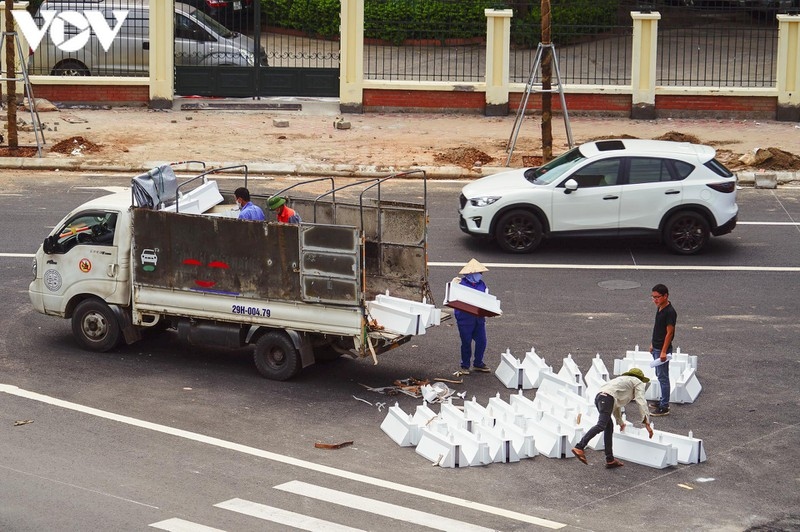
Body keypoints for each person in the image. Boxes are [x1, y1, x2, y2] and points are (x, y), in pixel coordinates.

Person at [571, 368, 654, 469]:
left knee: (608, 427)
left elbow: (615, 403)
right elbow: (641, 400)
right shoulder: (638, 382)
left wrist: (620, 421)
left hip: (600, 398)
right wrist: (647, 422)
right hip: (607, 399)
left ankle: (610, 460)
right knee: (601, 425)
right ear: (640, 378)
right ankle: (579, 447)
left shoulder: (622, 381)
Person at [453, 258, 492, 375]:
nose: (480, 275)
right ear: (471, 274)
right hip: (465, 319)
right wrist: (452, 285)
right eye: (479, 273)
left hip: (478, 318)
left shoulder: (481, 284)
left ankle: (478, 363)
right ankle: (465, 365)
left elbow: (485, 299)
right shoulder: (460, 284)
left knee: (482, 341)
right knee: (466, 342)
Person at [650, 283, 676, 417]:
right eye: (653, 297)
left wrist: (663, 351)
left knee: (663, 377)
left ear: (666, 296)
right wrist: (652, 344)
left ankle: (664, 405)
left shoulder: (670, 312)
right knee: (660, 375)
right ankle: (662, 400)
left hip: (662, 349)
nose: (655, 300)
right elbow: (657, 328)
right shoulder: (660, 307)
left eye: (657, 297)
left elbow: (669, 333)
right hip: (657, 347)